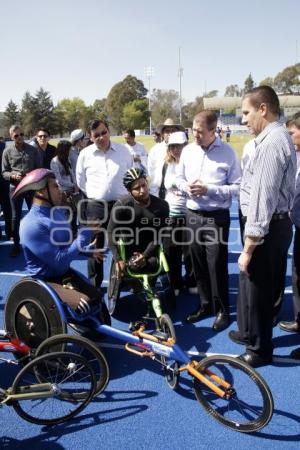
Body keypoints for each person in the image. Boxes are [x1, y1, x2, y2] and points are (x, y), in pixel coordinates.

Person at [230, 86, 296, 368]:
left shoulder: (271, 143)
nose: (243, 120)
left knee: (258, 291)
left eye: (246, 112)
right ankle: (257, 338)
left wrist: (248, 247)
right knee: (263, 289)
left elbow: (263, 199)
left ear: (263, 109)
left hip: (266, 228)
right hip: (276, 226)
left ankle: (259, 350)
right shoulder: (276, 138)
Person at [13, 168, 108, 320]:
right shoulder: (31, 224)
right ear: (42, 191)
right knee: (84, 304)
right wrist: (85, 235)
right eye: (55, 186)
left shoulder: (57, 212)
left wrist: (87, 251)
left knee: (97, 296)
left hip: (63, 274)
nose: (60, 190)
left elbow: (65, 244)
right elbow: (58, 260)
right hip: (44, 280)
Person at [177, 111, 241, 331]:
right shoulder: (188, 151)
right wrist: (186, 187)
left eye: (201, 132)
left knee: (217, 265)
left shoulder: (228, 153)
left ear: (214, 131)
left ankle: (223, 310)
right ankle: (205, 305)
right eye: (193, 130)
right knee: (198, 264)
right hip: (192, 215)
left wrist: (209, 189)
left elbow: (238, 187)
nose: (195, 135)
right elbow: (178, 177)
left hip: (216, 218)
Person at [76, 118, 133, 289]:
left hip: (121, 204)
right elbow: (81, 181)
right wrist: (97, 194)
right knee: (95, 245)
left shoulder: (124, 151)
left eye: (103, 132)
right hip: (96, 206)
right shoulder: (84, 154)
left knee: (125, 242)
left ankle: (126, 278)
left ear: (108, 131)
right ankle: (94, 284)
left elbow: (130, 174)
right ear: (91, 137)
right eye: (96, 135)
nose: (101, 137)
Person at [107, 168, 170, 304]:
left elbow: (160, 236)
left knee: (153, 265)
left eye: (144, 185)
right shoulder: (122, 205)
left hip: (150, 247)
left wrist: (145, 255)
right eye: (137, 188)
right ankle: (133, 283)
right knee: (134, 267)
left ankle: (149, 285)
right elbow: (111, 232)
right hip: (129, 249)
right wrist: (118, 260)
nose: (142, 190)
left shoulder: (162, 206)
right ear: (130, 191)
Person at [162, 131, 196, 295]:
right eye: (173, 146)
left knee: (190, 252)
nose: (176, 150)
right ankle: (175, 283)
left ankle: (191, 281)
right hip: (171, 216)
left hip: (189, 215)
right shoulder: (167, 165)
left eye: (179, 146)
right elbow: (163, 187)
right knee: (171, 251)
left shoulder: (193, 164)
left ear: (186, 146)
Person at [278, 113, 300, 349]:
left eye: (292, 132)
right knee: (297, 277)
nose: (289, 137)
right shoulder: (295, 157)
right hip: (297, 224)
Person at [2, 124, 41, 256]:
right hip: (15, 188)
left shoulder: (32, 150)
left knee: (34, 216)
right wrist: (12, 175)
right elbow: (4, 172)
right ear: (12, 137)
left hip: (30, 187)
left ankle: (34, 243)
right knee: (15, 217)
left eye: (21, 134)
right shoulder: (7, 151)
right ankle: (16, 245)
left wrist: (31, 175)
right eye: (16, 135)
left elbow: (38, 168)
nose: (19, 137)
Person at [147, 118, 185, 197]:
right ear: (162, 134)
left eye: (173, 131)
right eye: (167, 131)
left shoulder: (185, 149)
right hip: (159, 192)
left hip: (180, 193)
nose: (170, 133)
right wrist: (154, 194)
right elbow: (151, 174)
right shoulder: (155, 150)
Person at [0, 136, 12, 240]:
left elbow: (7, 165)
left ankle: (9, 233)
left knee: (7, 209)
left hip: (4, 182)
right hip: (4, 182)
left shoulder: (3, 146)